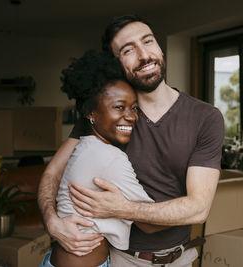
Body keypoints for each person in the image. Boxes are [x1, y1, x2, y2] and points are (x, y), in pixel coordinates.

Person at [38, 15, 224, 266]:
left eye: (148, 41)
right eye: (128, 50)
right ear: (117, 64)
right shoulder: (105, 117)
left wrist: (121, 208)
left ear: (158, 45)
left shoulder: (206, 117)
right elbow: (52, 174)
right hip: (119, 258)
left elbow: (199, 209)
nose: (144, 55)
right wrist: (53, 222)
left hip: (180, 258)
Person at [40, 50, 167, 267]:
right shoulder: (110, 157)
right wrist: (192, 207)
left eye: (134, 107)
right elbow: (150, 224)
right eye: (119, 107)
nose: (131, 116)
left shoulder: (84, 145)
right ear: (90, 113)